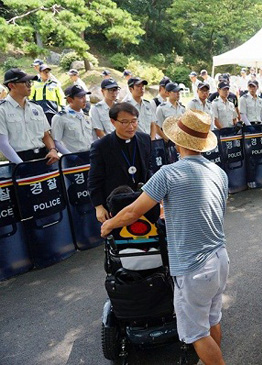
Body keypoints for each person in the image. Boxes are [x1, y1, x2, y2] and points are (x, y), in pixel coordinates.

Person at [100, 109, 229, 365]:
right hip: (220, 259)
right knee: (212, 319)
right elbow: (205, 209)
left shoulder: (169, 173)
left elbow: (134, 211)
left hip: (194, 267)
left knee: (196, 334)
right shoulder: (218, 173)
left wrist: (109, 225)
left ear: (177, 140)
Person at [88, 102, 152, 223]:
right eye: (124, 122)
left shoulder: (144, 139)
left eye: (134, 121)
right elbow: (94, 179)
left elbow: (149, 169)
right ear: (113, 122)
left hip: (142, 200)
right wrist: (98, 206)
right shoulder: (101, 146)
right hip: (116, 202)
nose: (131, 126)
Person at [0, 68, 60, 164]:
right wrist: (20, 164)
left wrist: (53, 150)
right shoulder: (2, 110)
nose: (29, 85)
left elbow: (46, 135)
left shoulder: (37, 108)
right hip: (19, 160)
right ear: (11, 85)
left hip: (44, 158)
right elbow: (3, 144)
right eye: (25, 82)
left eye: (30, 82)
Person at [51, 85, 93, 153]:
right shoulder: (60, 117)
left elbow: (92, 138)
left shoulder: (86, 117)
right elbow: (56, 142)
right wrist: (71, 156)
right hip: (72, 158)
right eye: (80, 97)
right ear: (70, 100)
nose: (84, 100)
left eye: (84, 96)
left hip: (90, 155)